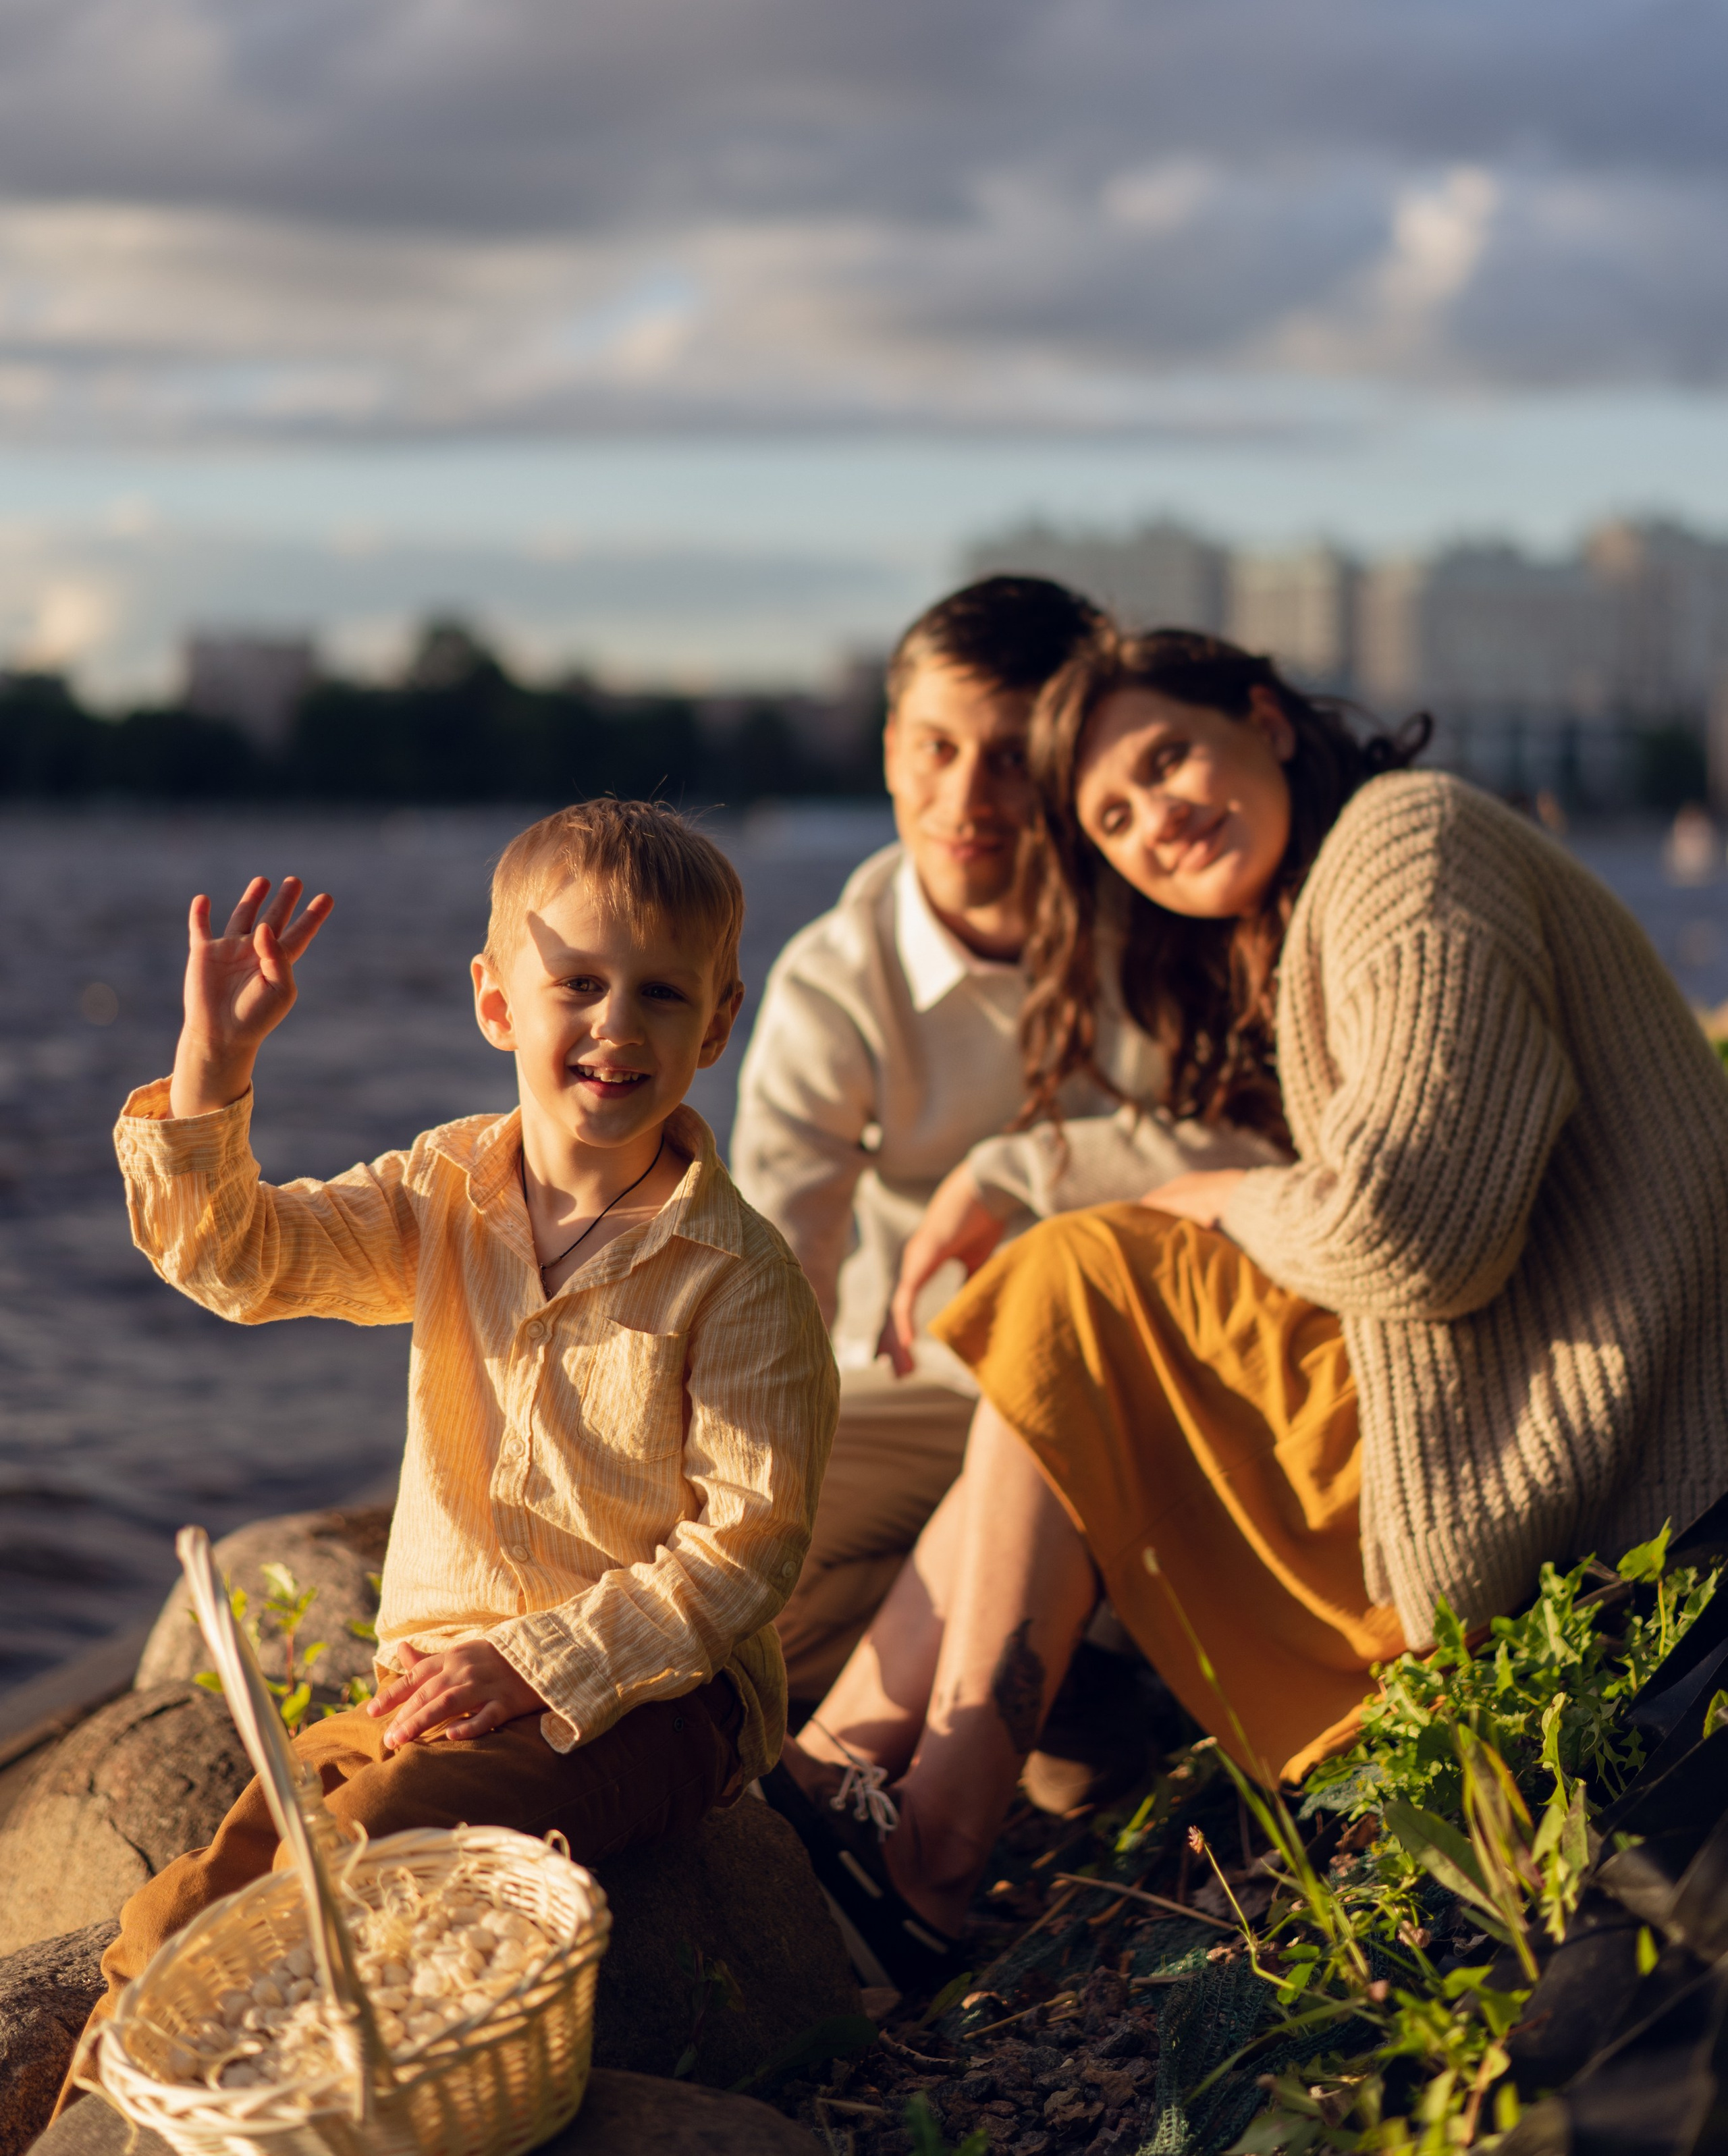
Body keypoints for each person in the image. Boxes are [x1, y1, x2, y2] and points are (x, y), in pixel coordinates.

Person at [763, 626, 1728, 1994]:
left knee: (1074, 1285)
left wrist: (1204, 1201)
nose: (1155, 818)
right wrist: (1045, 1171)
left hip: (1569, 1460)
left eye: (1167, 758)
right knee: (1073, 1301)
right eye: (1111, 816)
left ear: (1264, 719)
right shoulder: (1325, 896)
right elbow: (1343, 1188)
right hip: (1524, 1414)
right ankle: (849, 1780)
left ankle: (915, 1834)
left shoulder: (1410, 846)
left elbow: (1412, 1236)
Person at [74, 798, 838, 2055]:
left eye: (660, 994)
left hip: (646, 1703)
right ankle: (113, 2114)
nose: (614, 1026)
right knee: (187, 1908)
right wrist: (214, 1065)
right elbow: (241, 1262)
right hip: (437, 1680)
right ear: (496, 1004)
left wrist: (533, 1662)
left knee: (370, 1851)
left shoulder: (736, 1271)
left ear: (719, 1021)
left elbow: (747, 1548)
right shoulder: (444, 1193)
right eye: (578, 982)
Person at [731, 578, 1274, 1708]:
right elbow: (780, 1266)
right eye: (936, 747)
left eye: (1015, 758)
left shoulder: (1174, 920)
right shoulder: (834, 983)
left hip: (1152, 1382)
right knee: (731, 1578)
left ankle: (1030, 1680)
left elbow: (1267, 1161)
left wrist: (1023, 1169)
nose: (966, 797)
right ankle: (1053, 1682)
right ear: (889, 751)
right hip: (926, 1388)